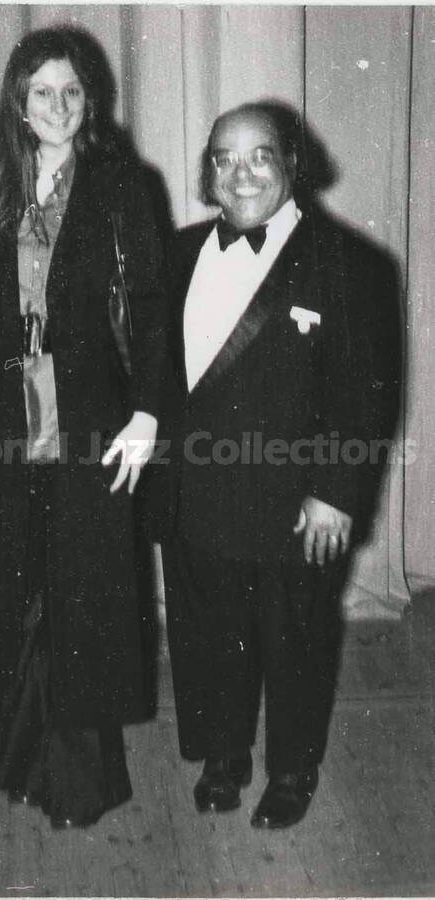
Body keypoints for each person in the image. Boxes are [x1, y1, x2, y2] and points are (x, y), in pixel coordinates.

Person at [0, 26, 166, 829]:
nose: (56, 107)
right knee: (15, 582)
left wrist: (148, 412)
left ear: (89, 101)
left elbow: (154, 313)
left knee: (81, 591)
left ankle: (78, 782)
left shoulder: (123, 186)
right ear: (17, 105)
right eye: (40, 93)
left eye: (71, 92)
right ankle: (18, 756)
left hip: (88, 418)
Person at [157, 101, 401, 829]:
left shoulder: (350, 264)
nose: (240, 174)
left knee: (293, 638)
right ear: (207, 172)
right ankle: (223, 757)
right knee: (208, 634)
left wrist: (334, 492)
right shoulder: (176, 252)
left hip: (293, 501)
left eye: (258, 155)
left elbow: (365, 396)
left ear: (292, 163)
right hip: (196, 491)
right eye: (223, 159)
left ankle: (291, 770)